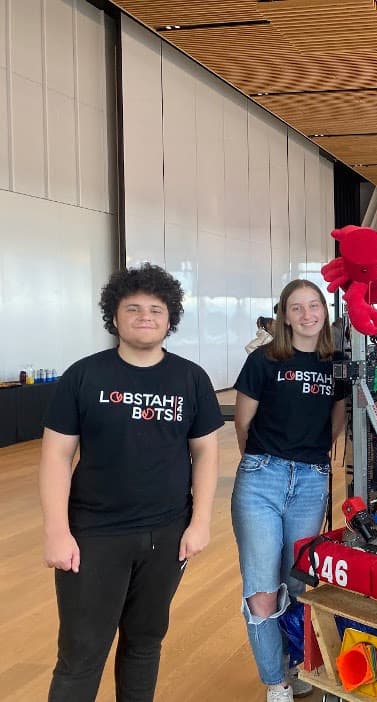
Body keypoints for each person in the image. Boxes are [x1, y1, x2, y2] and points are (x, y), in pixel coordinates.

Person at [39, 263, 224, 702]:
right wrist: (56, 530)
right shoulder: (83, 376)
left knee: (145, 643)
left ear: (170, 317)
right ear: (115, 316)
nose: (145, 317)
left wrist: (199, 523)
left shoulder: (190, 378)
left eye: (156, 309)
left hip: (166, 533)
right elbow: (56, 455)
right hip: (93, 534)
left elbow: (206, 452)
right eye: (133, 308)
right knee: (82, 652)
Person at [232, 279, 348, 702]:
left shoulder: (335, 363)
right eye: (296, 308)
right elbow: (242, 425)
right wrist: (267, 462)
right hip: (261, 477)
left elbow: (337, 420)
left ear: (324, 311)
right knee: (263, 589)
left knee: (298, 583)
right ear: (283, 315)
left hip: (312, 481)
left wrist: (311, 455)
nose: (306, 315)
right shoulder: (263, 362)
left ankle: (298, 664)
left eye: (314, 305)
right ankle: (275, 681)